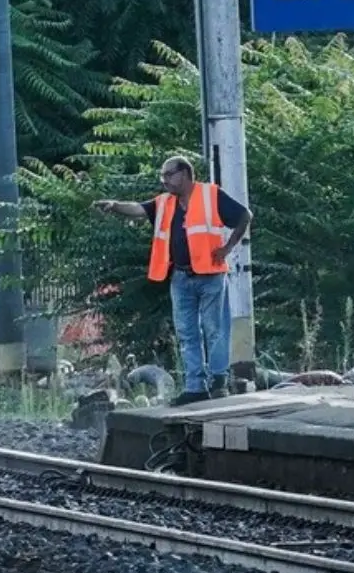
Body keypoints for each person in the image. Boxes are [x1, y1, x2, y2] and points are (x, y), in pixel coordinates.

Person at [93, 155, 252, 406]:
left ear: (186, 174)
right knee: (187, 333)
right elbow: (138, 209)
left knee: (215, 330)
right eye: (162, 176)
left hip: (211, 274)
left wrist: (228, 247)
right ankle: (195, 387)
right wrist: (114, 205)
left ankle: (219, 382)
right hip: (181, 276)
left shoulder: (211, 195)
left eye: (169, 175)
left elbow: (244, 216)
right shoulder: (165, 203)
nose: (164, 180)